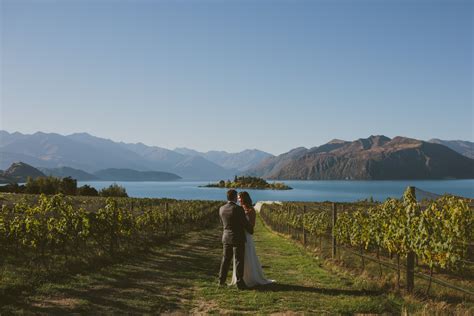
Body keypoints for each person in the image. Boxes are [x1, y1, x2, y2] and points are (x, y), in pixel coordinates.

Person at [230, 191, 275, 287]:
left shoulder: (251, 210)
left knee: (247, 255)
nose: (238, 200)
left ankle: (250, 278)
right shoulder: (239, 209)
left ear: (244, 198)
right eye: (238, 198)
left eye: (240, 198)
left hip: (246, 236)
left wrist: (242, 225)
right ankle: (240, 278)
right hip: (239, 236)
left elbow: (251, 226)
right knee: (239, 257)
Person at [218, 189, 254, 289]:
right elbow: (244, 223)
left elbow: (223, 224)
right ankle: (240, 283)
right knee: (239, 260)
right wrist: (250, 230)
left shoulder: (221, 208)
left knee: (225, 259)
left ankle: (221, 281)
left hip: (226, 237)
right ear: (234, 197)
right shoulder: (238, 209)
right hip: (238, 237)